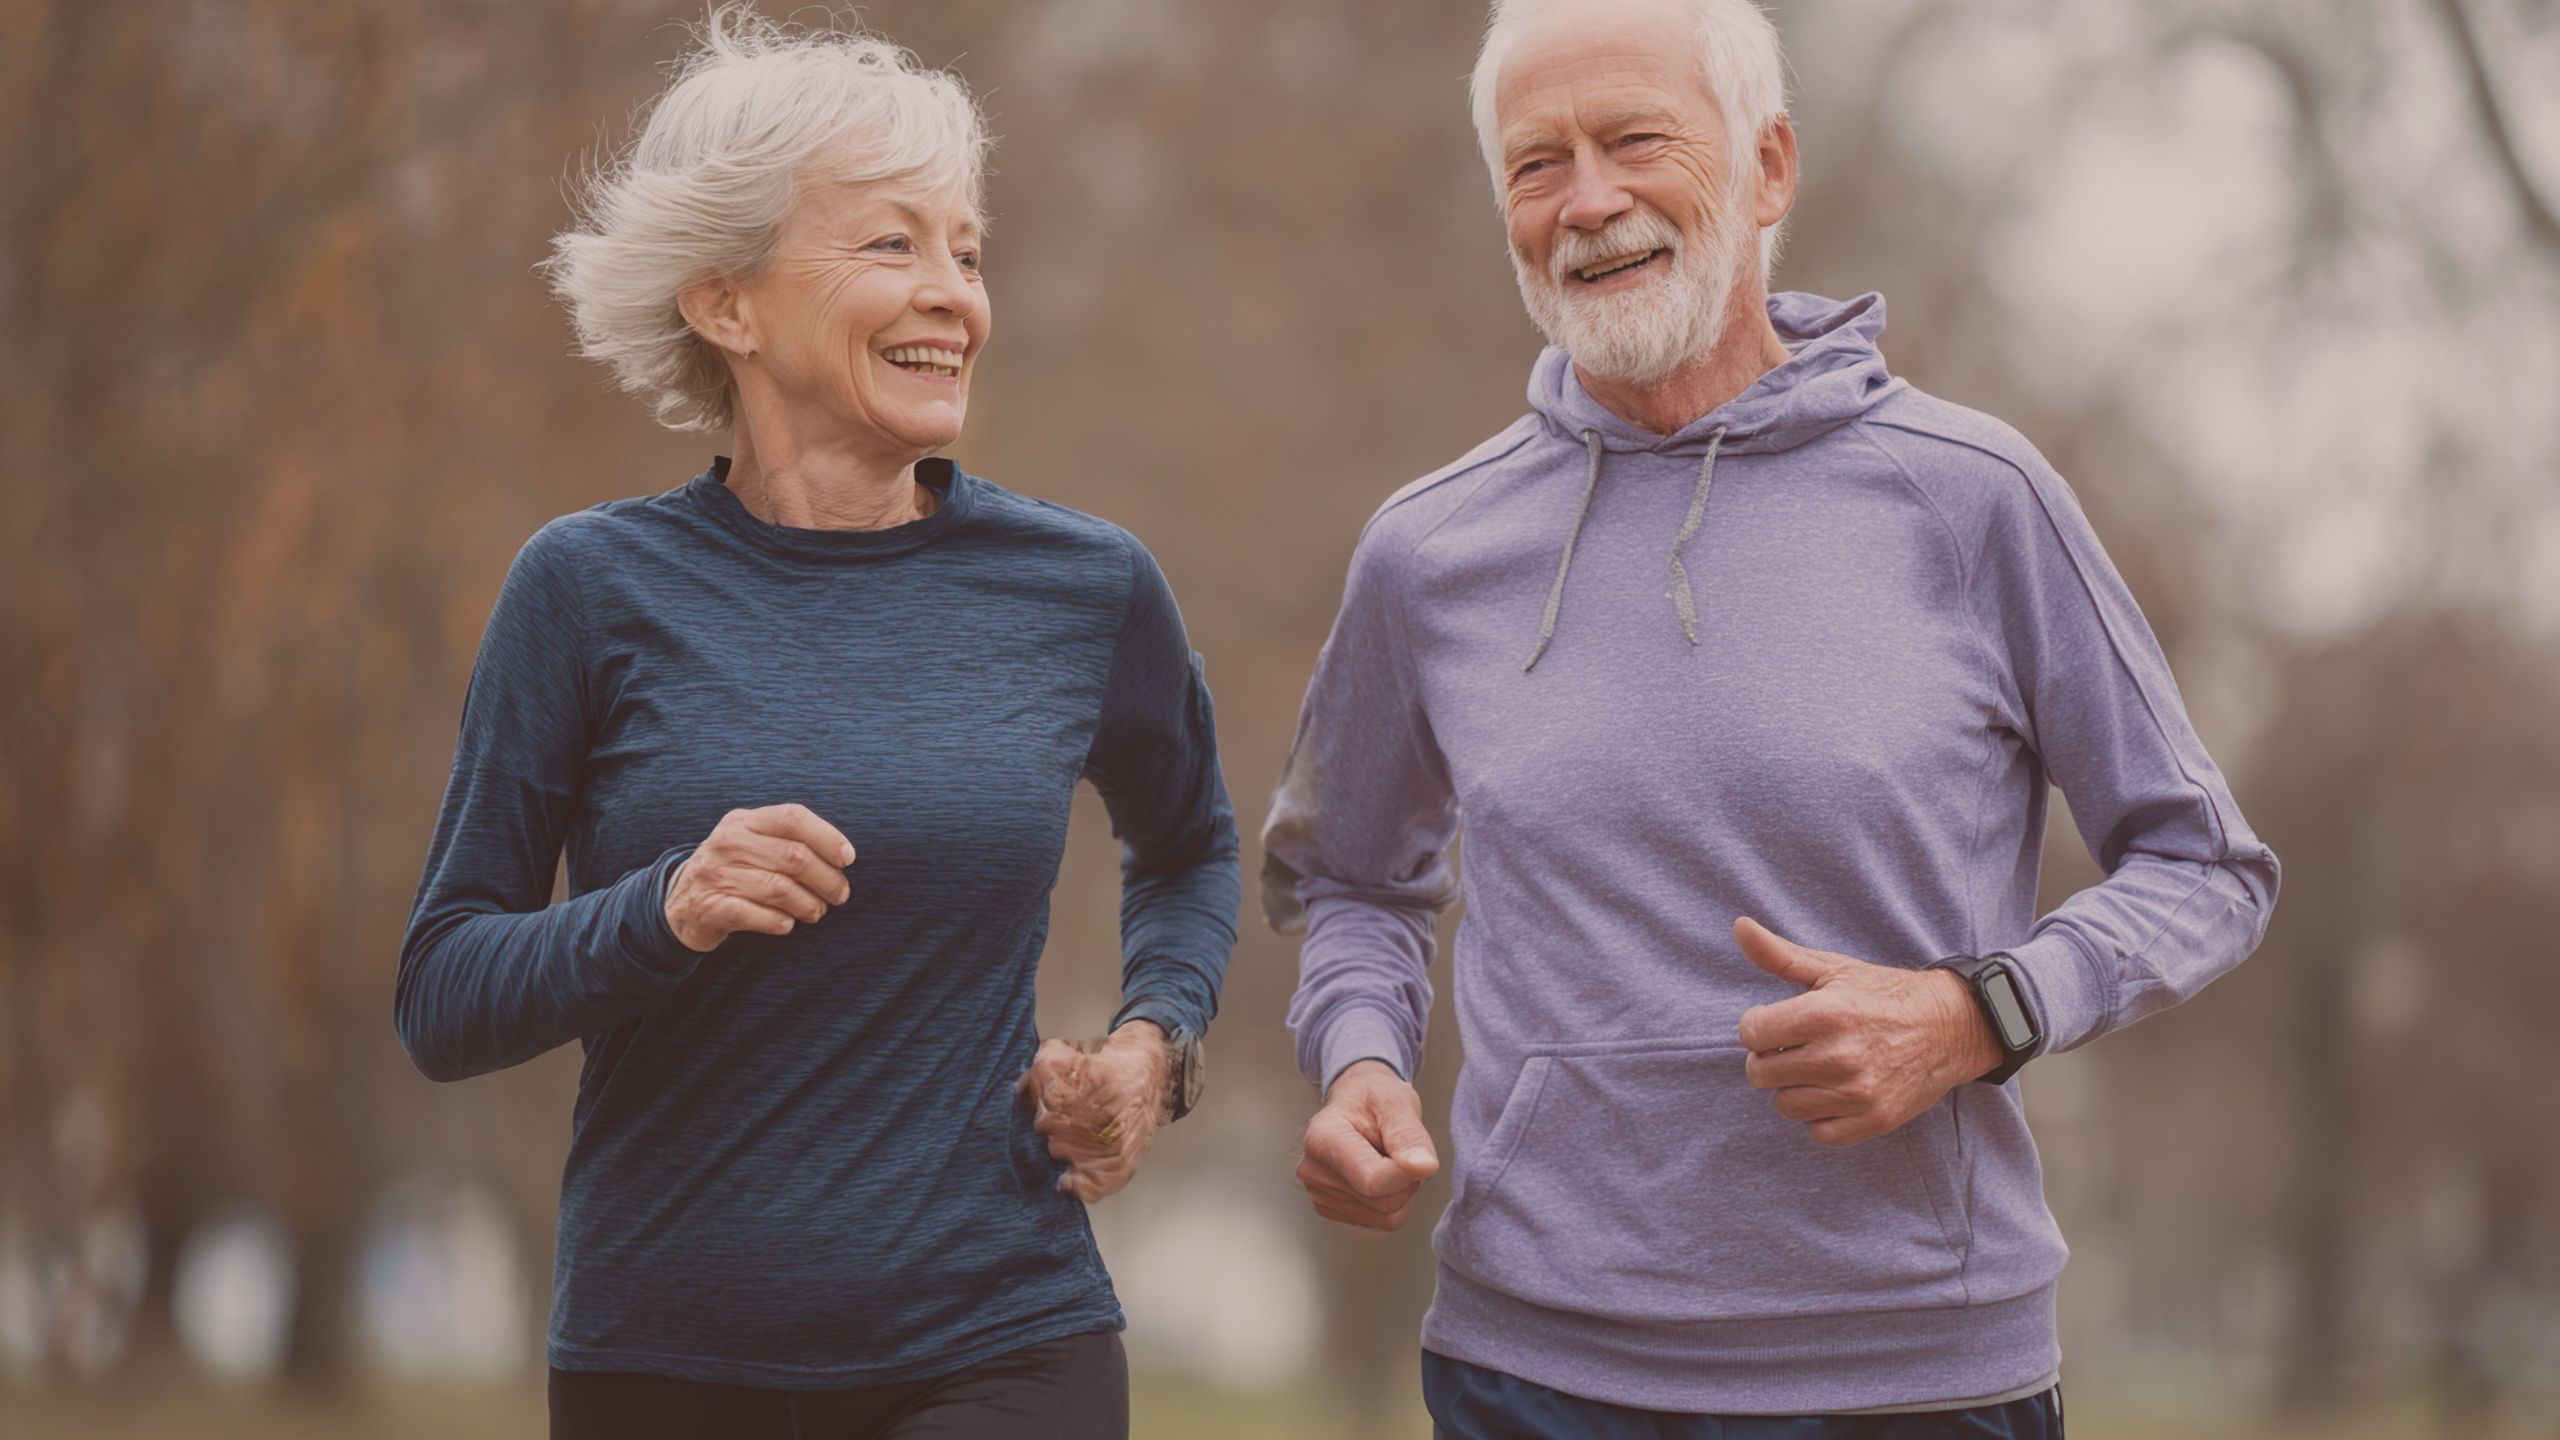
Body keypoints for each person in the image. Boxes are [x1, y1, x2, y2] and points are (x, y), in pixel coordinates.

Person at [1261, 0, 2280, 1434]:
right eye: (1535, 164)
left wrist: (1979, 1013)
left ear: (1769, 169)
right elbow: (1353, 877)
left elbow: (2208, 869)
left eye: (1634, 141)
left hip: (1919, 1377)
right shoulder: (1428, 551)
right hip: (1533, 1371)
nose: (1588, 199)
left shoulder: (1974, 496)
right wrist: (1361, 1059)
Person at [394, 10, 1238, 1437]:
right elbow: (442, 992)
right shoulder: (589, 590)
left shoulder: (1083, 587)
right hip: (663, 1357)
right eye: (891, 245)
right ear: (725, 303)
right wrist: (663, 908)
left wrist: (1153, 1048)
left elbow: (1193, 847)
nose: (955, 296)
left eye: (967, 252)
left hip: (1003, 1338)